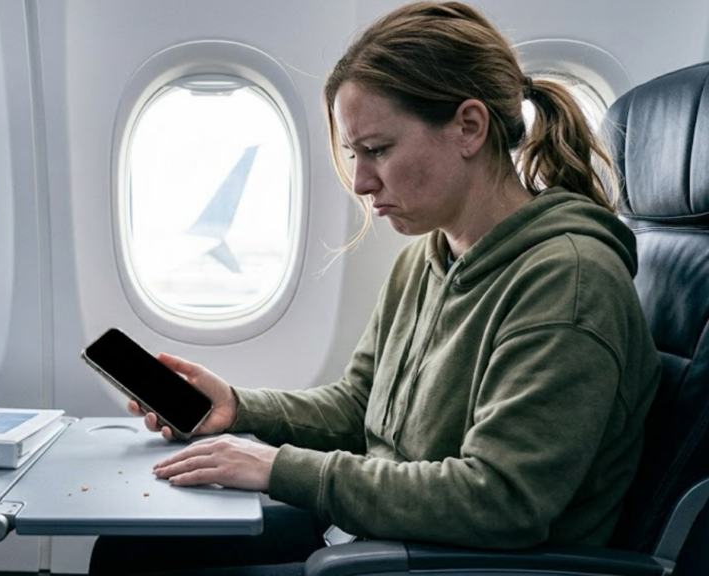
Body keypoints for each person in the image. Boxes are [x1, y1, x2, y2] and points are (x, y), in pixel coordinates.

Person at [89, 2, 660, 575]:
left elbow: (501, 501)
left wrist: (275, 467)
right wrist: (237, 408)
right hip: (378, 535)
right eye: (354, 154)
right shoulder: (427, 260)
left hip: (459, 562)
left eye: (378, 150)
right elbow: (359, 406)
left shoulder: (568, 281)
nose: (361, 182)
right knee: (130, 549)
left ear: (468, 127)